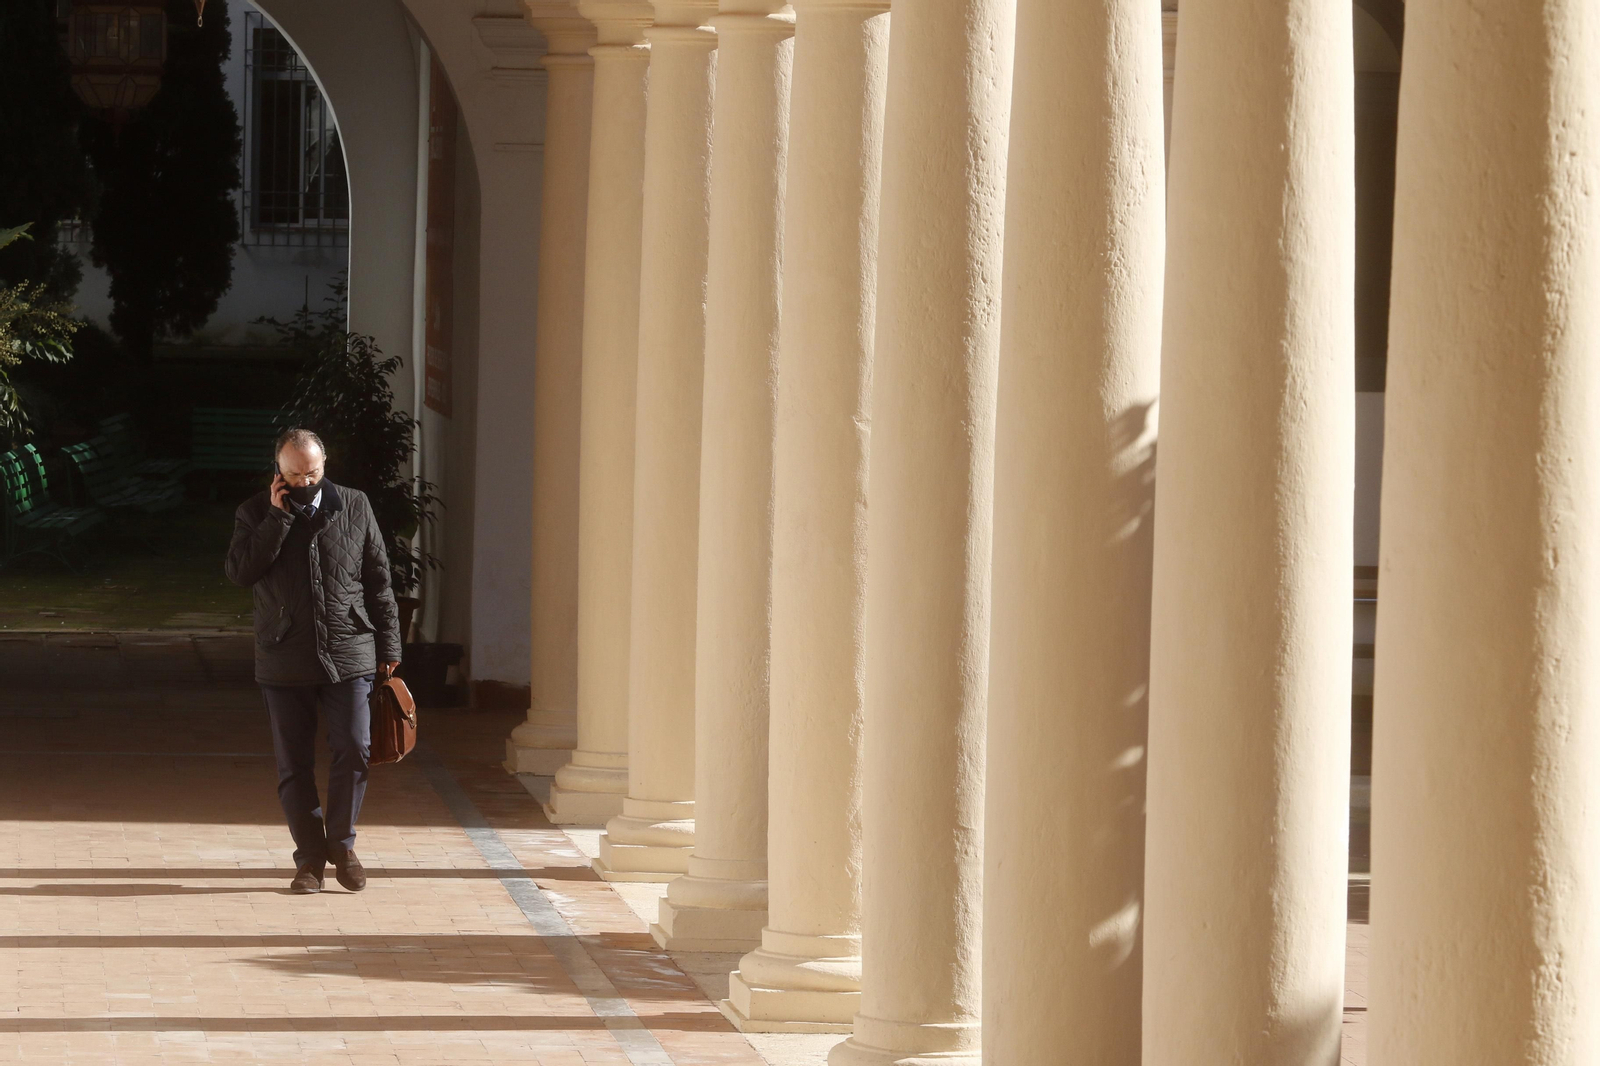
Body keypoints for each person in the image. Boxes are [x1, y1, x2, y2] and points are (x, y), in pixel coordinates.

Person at [225, 427, 401, 895]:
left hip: (351, 649)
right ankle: (309, 861)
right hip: (284, 655)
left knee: (355, 745)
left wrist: (390, 650)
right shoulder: (254, 512)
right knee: (294, 763)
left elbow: (379, 580)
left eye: (314, 472)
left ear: (325, 465)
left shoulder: (355, 505)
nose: (306, 482)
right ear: (278, 474)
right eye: (295, 474)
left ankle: (342, 846)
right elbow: (241, 572)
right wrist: (278, 520)